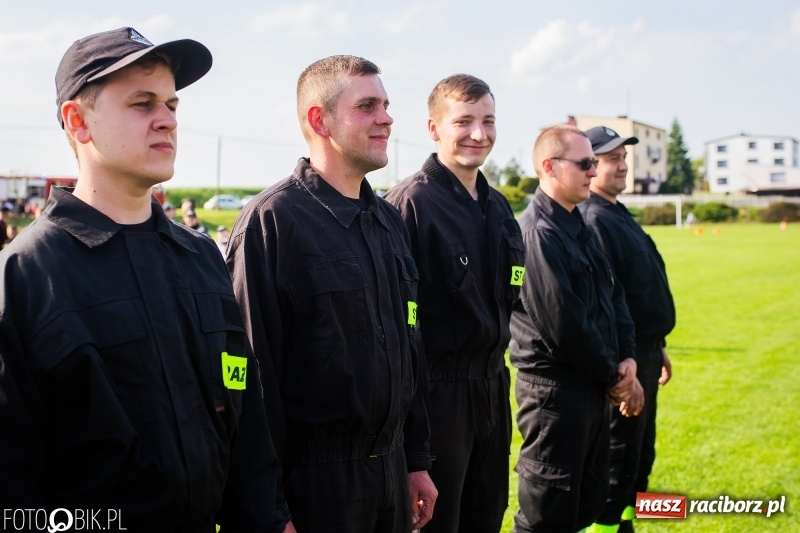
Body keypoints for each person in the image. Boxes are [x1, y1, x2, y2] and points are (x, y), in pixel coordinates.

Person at [0, 27, 282, 531]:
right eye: (142, 103)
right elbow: (14, 478)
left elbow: (246, 418)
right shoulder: (27, 275)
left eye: (172, 105)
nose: (167, 120)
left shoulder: (200, 256)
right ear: (78, 121)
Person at [226, 55, 437, 533]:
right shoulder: (272, 223)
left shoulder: (387, 221)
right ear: (319, 121)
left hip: (390, 474)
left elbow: (409, 351)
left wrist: (415, 460)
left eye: (386, 104)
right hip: (314, 487)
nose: (386, 118)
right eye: (367, 106)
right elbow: (252, 379)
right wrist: (269, 509)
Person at [384, 74, 522, 533]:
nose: (479, 134)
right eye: (463, 121)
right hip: (437, 399)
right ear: (434, 128)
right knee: (438, 523)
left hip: (493, 389)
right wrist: (413, 444)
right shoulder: (409, 205)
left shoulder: (498, 207)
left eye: (488, 121)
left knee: (486, 517)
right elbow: (397, 332)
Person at [509, 124, 642, 533]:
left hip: (592, 387)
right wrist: (615, 377)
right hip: (556, 397)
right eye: (585, 163)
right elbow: (565, 325)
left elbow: (613, 297)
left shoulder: (577, 225)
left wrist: (627, 358)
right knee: (546, 514)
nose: (593, 171)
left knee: (586, 503)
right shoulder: (538, 235)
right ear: (550, 167)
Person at [580, 126, 676, 533]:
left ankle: (626, 527)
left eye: (623, 157)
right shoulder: (594, 220)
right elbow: (605, 305)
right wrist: (627, 363)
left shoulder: (617, 213)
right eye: (611, 159)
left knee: (638, 460)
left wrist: (658, 345)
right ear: (589, 164)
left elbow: (637, 292)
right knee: (616, 463)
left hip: (645, 352)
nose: (622, 165)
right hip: (626, 362)